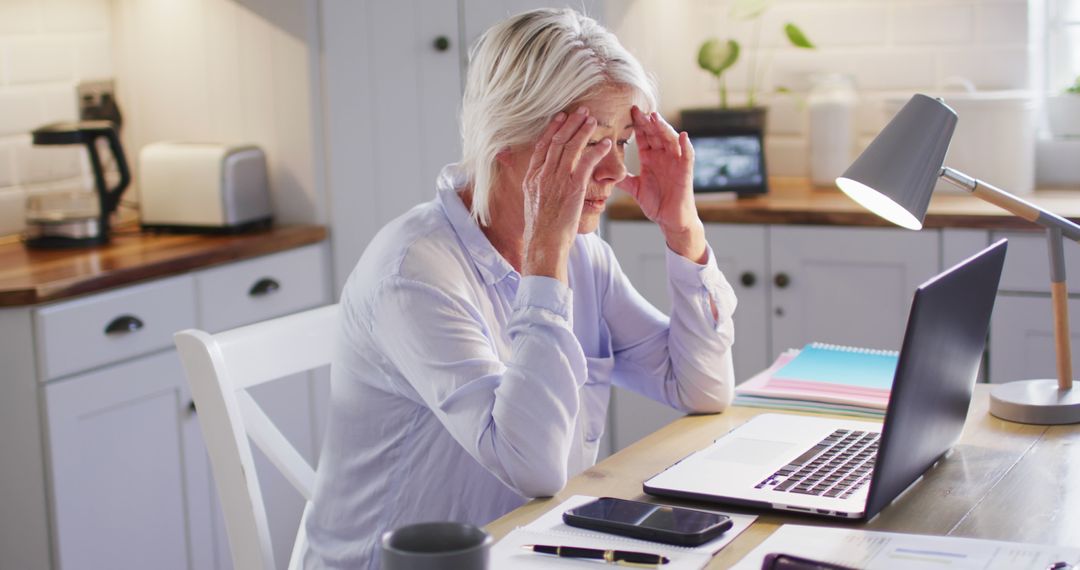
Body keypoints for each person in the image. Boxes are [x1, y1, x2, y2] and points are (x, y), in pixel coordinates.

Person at [303, 8, 737, 568]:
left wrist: (685, 234)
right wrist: (545, 262)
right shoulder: (414, 274)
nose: (614, 172)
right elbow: (532, 466)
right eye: (589, 144)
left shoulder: (585, 259)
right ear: (506, 139)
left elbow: (700, 388)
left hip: (529, 549)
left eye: (623, 141)